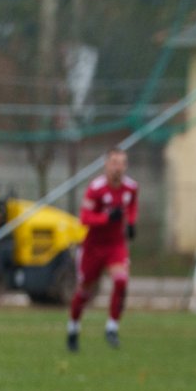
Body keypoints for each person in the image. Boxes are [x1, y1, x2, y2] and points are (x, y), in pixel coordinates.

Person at [67, 148, 138, 352]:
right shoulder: (96, 189)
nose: (118, 167)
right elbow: (85, 218)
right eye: (114, 162)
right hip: (93, 247)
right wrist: (107, 218)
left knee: (121, 280)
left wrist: (131, 223)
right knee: (84, 292)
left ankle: (112, 327)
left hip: (116, 245)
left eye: (122, 163)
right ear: (106, 165)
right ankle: (73, 328)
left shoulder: (131, 188)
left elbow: (132, 206)